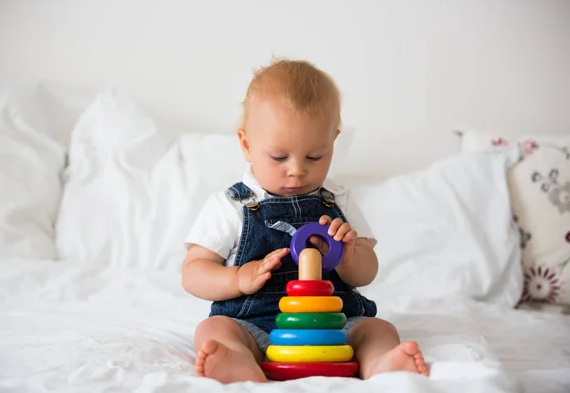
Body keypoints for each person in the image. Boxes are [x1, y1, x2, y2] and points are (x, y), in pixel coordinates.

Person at [181, 59, 429, 383]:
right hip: (254, 324)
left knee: (378, 329)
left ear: (333, 142)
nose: (297, 170)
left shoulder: (337, 200)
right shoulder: (231, 206)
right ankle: (239, 363)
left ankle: (382, 364)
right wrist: (238, 279)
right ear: (246, 144)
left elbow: (367, 273)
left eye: (314, 156)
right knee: (213, 329)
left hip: (332, 328)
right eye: (279, 157)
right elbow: (193, 271)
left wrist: (350, 255)